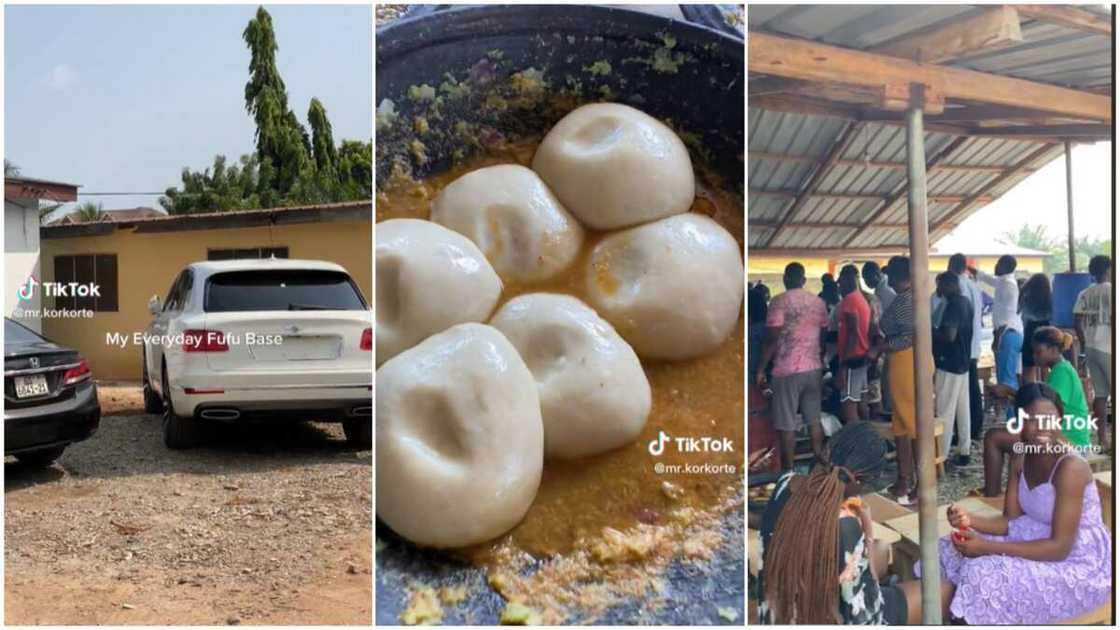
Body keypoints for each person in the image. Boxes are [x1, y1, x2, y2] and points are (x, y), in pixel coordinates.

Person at [918, 383, 1110, 624]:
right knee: (946, 547)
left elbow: (1060, 547)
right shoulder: (1021, 456)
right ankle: (943, 612)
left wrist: (987, 546)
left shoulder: (1070, 467)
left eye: (1050, 419)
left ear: (1060, 421)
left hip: (1078, 561)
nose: (1043, 427)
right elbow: (1010, 520)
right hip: (1035, 535)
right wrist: (968, 519)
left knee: (983, 573)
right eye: (1032, 419)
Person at [756, 421, 953, 624]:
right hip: (821, 616)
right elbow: (867, 617)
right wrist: (866, 528)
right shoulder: (845, 525)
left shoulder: (785, 483)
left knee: (882, 548)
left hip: (776, 612)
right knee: (945, 591)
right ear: (858, 482)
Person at [981, 326, 1093, 495]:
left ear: (1054, 350)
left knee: (993, 438)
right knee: (1014, 439)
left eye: (1038, 352)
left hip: (1070, 442)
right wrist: (1009, 396)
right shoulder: (1059, 370)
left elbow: (1042, 407)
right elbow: (1037, 408)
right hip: (1060, 437)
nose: (1035, 356)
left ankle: (991, 496)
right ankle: (1009, 493)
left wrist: (1009, 391)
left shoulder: (1062, 372)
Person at [758, 263, 830, 469]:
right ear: (803, 280)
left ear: (785, 278)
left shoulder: (779, 302)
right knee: (813, 419)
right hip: (813, 368)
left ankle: (788, 471)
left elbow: (772, 338)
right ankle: (818, 464)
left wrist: (761, 368)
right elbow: (823, 334)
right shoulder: (818, 302)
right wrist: (818, 355)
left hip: (786, 370)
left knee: (787, 423)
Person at [874, 257, 928, 504]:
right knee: (901, 423)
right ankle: (904, 479)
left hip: (908, 361)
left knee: (913, 425)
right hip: (904, 362)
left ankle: (920, 483)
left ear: (898, 276)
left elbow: (910, 335)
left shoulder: (908, 299)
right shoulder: (910, 296)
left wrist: (884, 345)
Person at [974, 255, 1023, 420]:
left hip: (1007, 334)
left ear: (1006, 266)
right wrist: (975, 272)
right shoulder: (1003, 282)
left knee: (1008, 379)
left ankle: (1014, 419)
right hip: (1005, 334)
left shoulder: (1009, 286)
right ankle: (1012, 418)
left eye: (998, 264)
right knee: (1004, 377)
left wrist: (997, 338)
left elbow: (1007, 318)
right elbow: (989, 279)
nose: (995, 266)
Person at [933, 272, 975, 466]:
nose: (938, 290)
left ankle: (941, 454)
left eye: (939, 285)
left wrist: (929, 330)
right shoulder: (966, 302)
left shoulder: (954, 305)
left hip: (949, 362)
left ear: (949, 285)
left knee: (945, 411)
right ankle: (964, 450)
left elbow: (949, 335)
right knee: (961, 408)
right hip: (962, 362)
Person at [1074, 255, 1111, 450]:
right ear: (1108, 269)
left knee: (1101, 394)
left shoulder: (1084, 293)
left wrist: (1084, 342)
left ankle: (1103, 439)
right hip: (1109, 347)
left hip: (1091, 347)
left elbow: (1076, 321)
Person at [836, 265, 871, 423]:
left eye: (840, 283)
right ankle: (870, 441)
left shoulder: (849, 301)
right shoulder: (861, 298)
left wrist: (843, 366)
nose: (839, 287)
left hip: (852, 359)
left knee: (848, 409)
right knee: (862, 405)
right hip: (862, 356)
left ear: (845, 281)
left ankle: (857, 444)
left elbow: (852, 333)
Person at [863, 261, 894, 418]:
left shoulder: (886, 293)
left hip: (885, 344)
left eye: (867, 278)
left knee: (882, 388)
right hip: (883, 344)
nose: (866, 282)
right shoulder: (879, 291)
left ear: (876, 274)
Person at [1019, 273, 1053, 383]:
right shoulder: (1050, 297)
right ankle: (1047, 392)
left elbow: (1023, 317)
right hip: (1047, 329)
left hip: (1030, 330)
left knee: (1029, 366)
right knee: (1045, 365)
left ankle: (1030, 394)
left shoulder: (1026, 297)